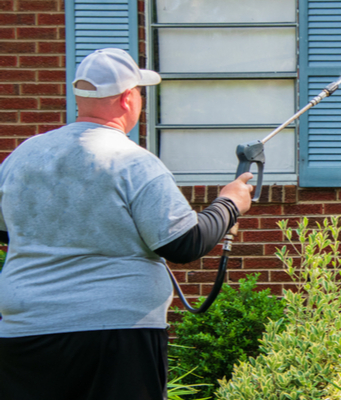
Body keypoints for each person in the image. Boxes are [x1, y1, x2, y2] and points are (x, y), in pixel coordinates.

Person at [0, 48, 254, 399]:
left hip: (24, 334)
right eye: (139, 92)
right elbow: (183, 244)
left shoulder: (22, 157)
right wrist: (230, 203)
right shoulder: (133, 162)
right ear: (126, 100)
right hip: (117, 335)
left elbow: (7, 229)